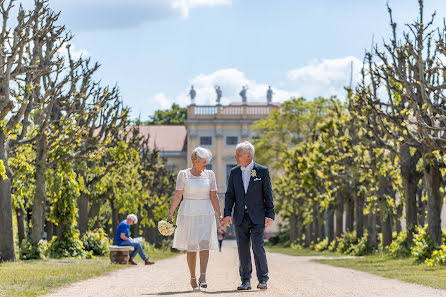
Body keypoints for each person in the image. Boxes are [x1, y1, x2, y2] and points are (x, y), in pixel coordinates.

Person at [221, 141, 275, 290]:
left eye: (238, 155)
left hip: (258, 216)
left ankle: (263, 279)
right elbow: (229, 195)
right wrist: (227, 214)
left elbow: (268, 195)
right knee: (243, 249)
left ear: (248, 156)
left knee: (258, 246)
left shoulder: (262, 171)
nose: (235, 157)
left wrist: (270, 215)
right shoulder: (234, 172)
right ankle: (245, 280)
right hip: (240, 216)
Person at [168, 147, 222, 291]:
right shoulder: (183, 174)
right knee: (191, 246)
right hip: (188, 212)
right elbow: (178, 195)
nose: (206, 164)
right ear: (195, 161)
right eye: (203, 161)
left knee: (204, 244)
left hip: (205, 212)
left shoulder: (210, 174)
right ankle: (192, 277)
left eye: (207, 161)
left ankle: (202, 276)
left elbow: (214, 196)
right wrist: (170, 214)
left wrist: (219, 214)